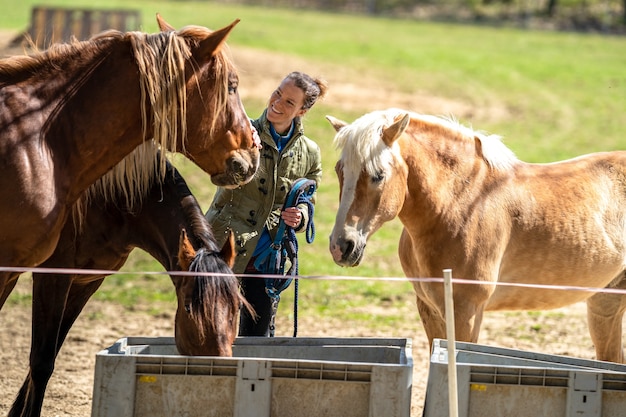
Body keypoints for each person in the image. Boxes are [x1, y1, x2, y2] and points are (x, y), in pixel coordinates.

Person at [205, 71, 328, 336]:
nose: (277, 103)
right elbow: (220, 176)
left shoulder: (310, 152)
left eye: (289, 102)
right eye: (278, 93)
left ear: (302, 112)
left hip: (268, 255)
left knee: (257, 336)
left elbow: (309, 195)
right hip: (223, 245)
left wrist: (302, 216)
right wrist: (244, 149)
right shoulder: (241, 129)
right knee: (212, 329)